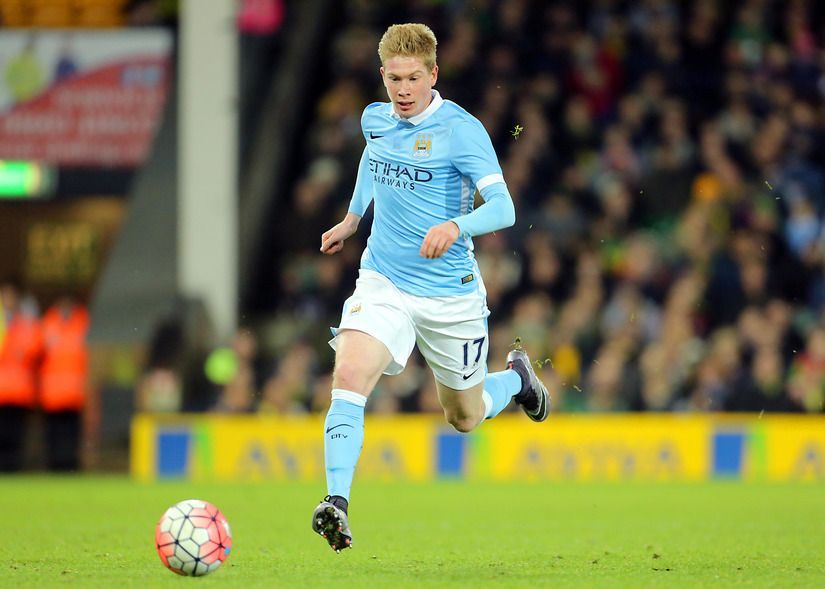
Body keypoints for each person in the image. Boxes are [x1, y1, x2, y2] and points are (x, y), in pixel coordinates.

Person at [311, 23, 550, 553]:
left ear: (433, 74)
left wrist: (455, 227)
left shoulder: (461, 131)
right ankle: (337, 503)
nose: (402, 89)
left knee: (463, 417)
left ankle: (515, 382)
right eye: (394, 78)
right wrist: (353, 218)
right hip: (384, 280)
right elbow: (373, 161)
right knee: (349, 373)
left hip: (450, 295)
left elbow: (505, 208)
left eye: (413, 78)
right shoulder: (376, 120)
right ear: (383, 75)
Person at [39, 295, 89, 471]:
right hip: (52, 392)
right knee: (54, 433)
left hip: (74, 392)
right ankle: (54, 465)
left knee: (72, 434)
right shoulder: (47, 324)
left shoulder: (82, 323)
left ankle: (71, 465)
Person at [0, 280, 42, 472]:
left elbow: (36, 349)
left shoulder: (26, 324)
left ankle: (13, 469)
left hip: (18, 390)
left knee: (14, 435)